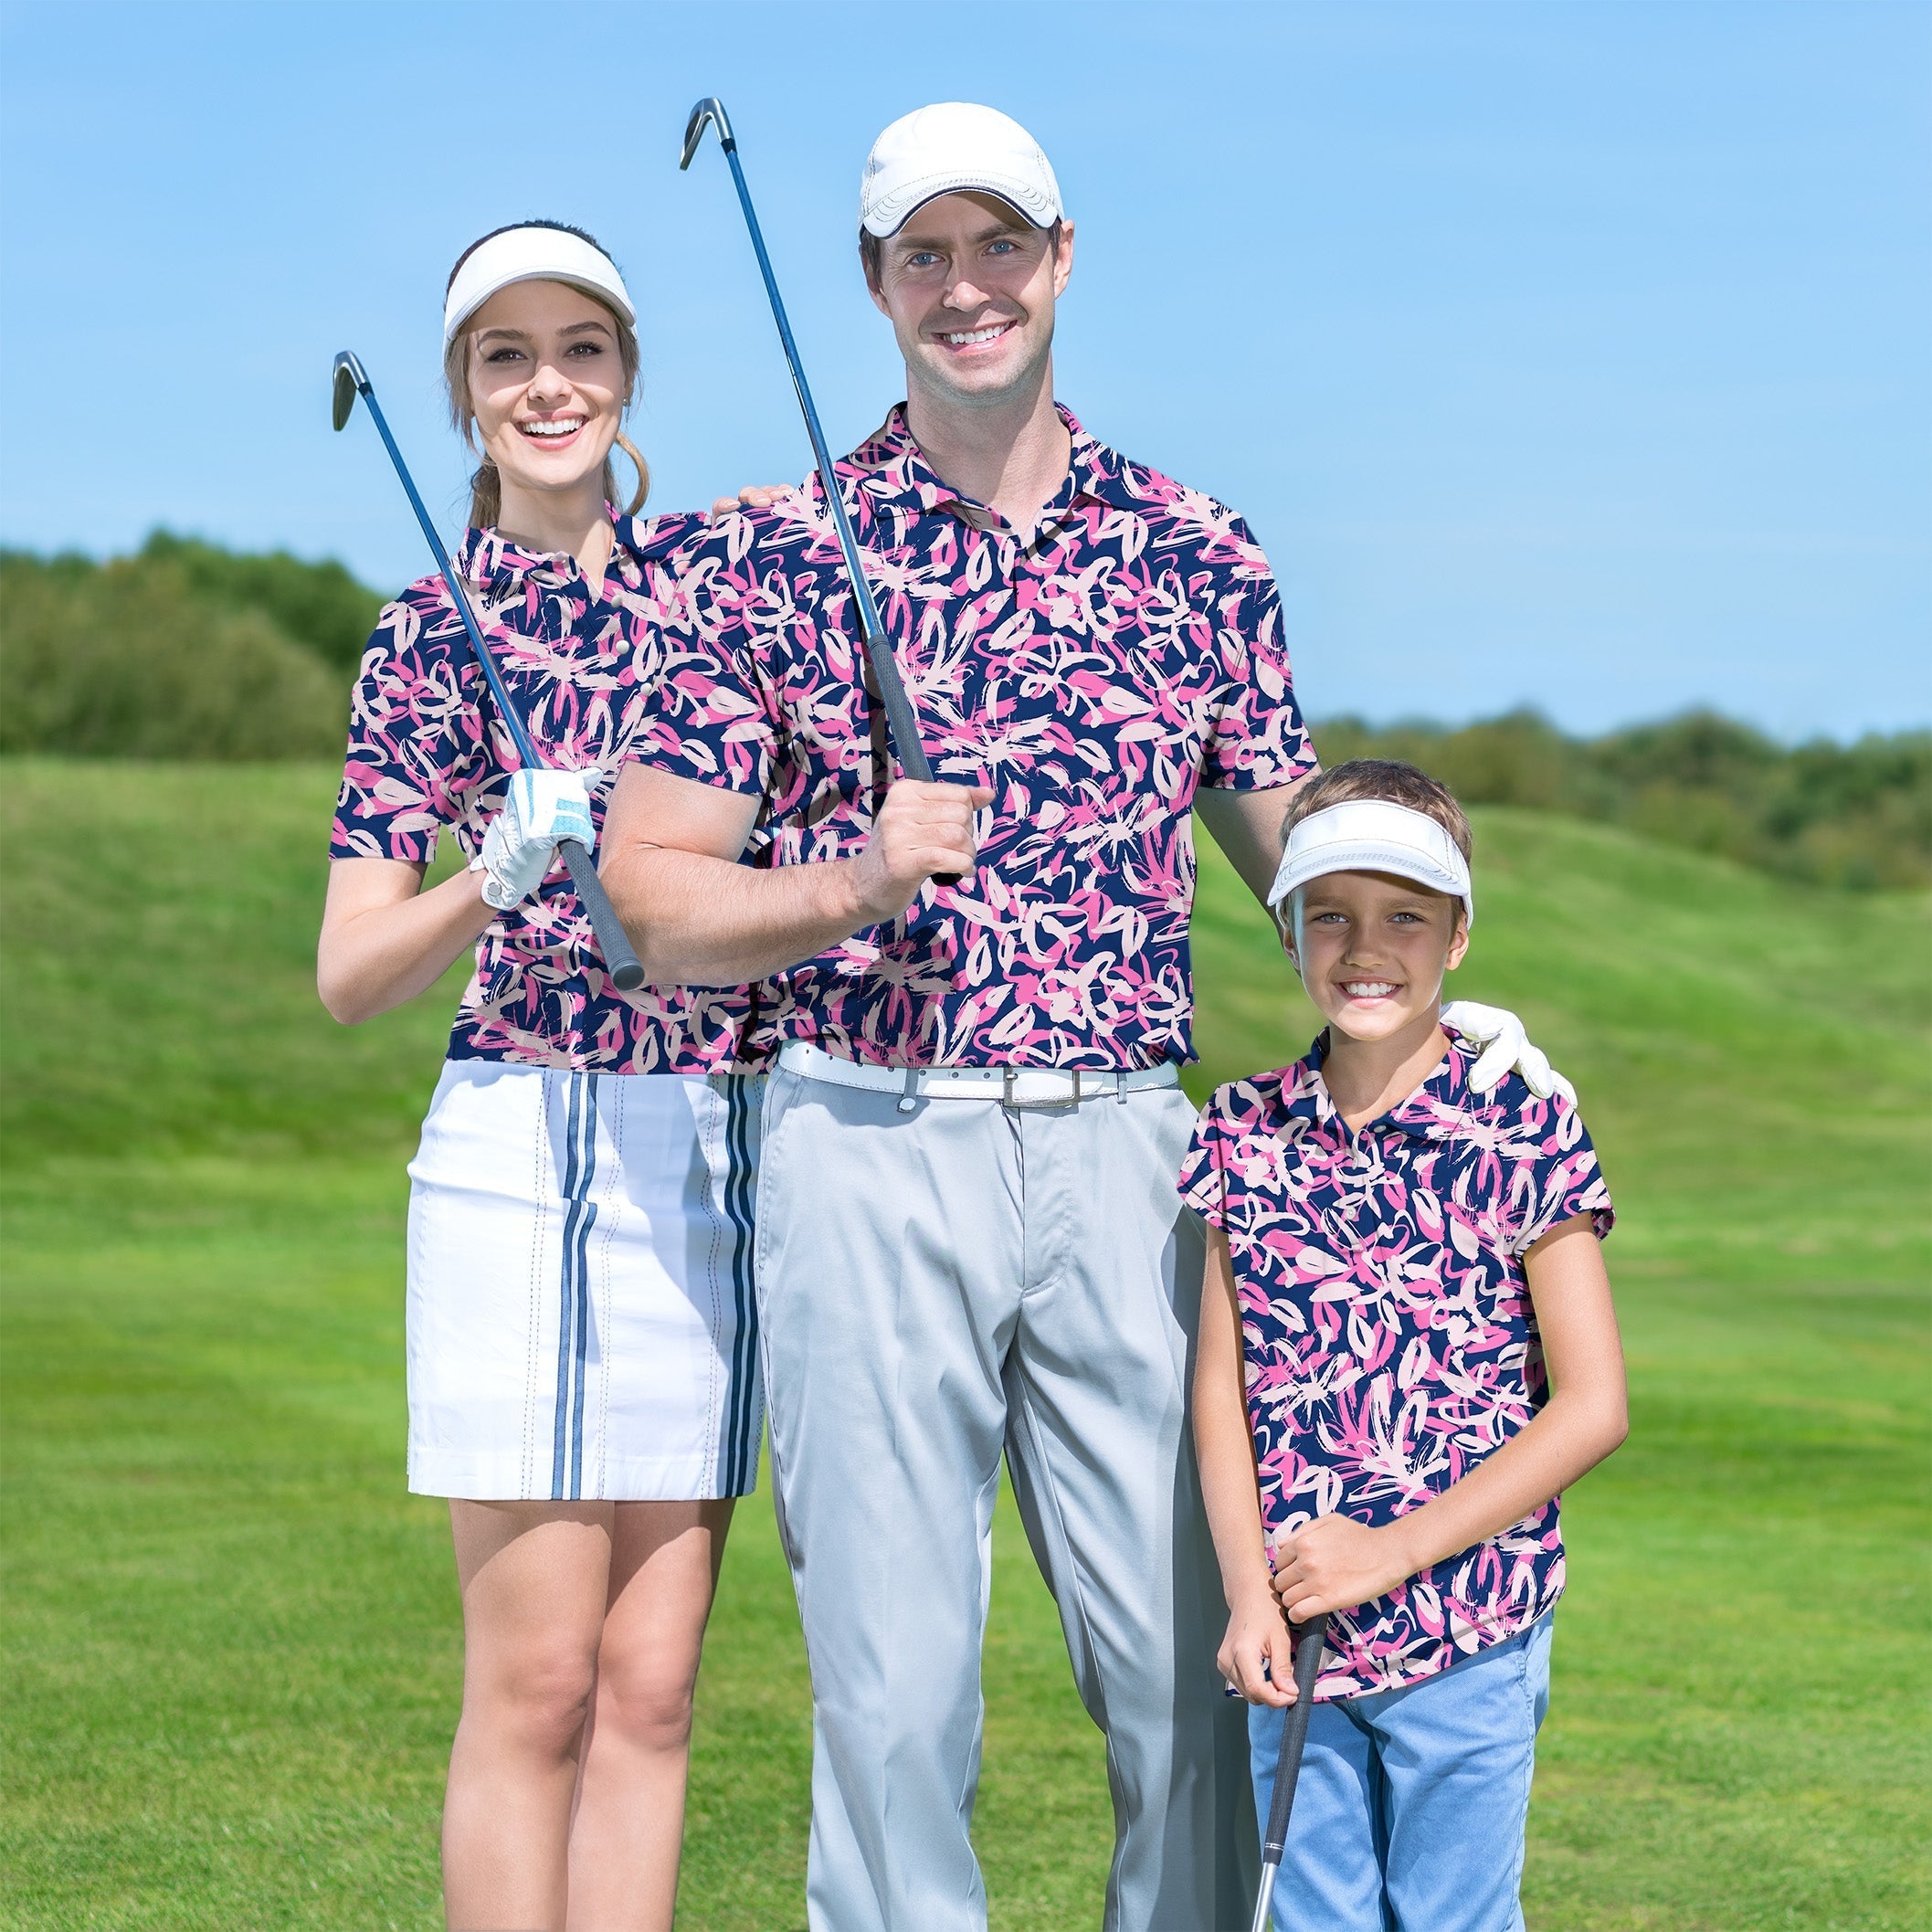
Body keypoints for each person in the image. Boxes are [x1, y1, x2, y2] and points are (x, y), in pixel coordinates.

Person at [600, 105, 1560, 1930]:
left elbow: (1295, 852)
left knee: (1198, 1675)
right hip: (864, 1137)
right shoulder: (766, 555)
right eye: (924, 255)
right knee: (895, 1703)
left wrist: (1440, 991)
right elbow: (650, 892)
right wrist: (849, 880)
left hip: (1130, 1153)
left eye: (999, 246)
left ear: (1060, 258)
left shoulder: (1198, 551)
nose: (966, 288)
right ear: (875, 283)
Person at [318, 221, 763, 1932]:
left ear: (627, 373)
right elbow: (351, 973)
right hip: (519, 1149)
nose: (548, 383)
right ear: (464, 394)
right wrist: (481, 881)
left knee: (651, 1686)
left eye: (581, 347)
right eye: (506, 356)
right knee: (539, 1681)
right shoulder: (422, 634)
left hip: (704, 1149)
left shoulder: (721, 599)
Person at [1184, 759, 1630, 1932]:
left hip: (1471, 1622)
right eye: (1329, 914)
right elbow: (1220, 1393)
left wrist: (1389, 1554)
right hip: (1297, 1631)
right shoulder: (1240, 1129)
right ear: (1287, 929)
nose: (1364, 947)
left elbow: (1593, 1405)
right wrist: (1247, 1596)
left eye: (1405, 918)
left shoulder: (1524, 1123)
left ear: (1458, 937)